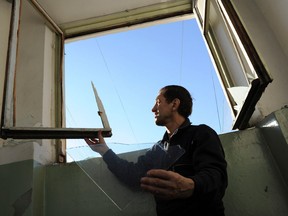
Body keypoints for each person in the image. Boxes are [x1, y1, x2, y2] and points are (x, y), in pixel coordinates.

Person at [85, 85, 228, 216]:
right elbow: (133, 175)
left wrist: (190, 185)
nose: (153, 108)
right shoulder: (158, 148)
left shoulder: (201, 133)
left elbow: (217, 177)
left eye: (158, 102)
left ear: (174, 104)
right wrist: (104, 151)